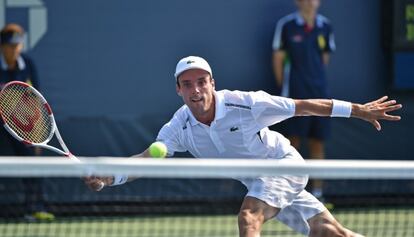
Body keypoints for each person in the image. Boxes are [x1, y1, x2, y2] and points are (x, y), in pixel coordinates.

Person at [85, 56, 401, 237]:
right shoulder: (179, 126)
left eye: (201, 81)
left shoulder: (247, 104)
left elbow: (303, 105)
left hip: (283, 165)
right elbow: (148, 159)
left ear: (212, 83)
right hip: (257, 181)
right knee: (329, 234)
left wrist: (357, 110)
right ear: (178, 90)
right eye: (187, 84)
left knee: (248, 217)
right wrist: (110, 177)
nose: (196, 89)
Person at [272, 0, 335, 200]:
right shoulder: (287, 26)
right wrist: (287, 89)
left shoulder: (325, 26)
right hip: (295, 95)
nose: (310, 2)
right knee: (292, 143)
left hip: (320, 94)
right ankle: (285, 193)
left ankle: (318, 194)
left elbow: (324, 60)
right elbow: (278, 59)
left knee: (317, 143)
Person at [0, 23, 54, 221]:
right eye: (10, 46)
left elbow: (37, 100)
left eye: (17, 46)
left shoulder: (28, 65)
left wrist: (38, 134)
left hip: (19, 123)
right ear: (2, 47)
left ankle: (35, 207)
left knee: (32, 163)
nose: (15, 50)